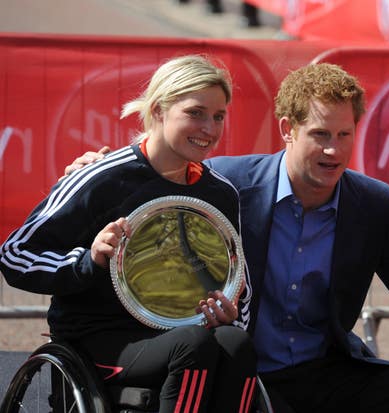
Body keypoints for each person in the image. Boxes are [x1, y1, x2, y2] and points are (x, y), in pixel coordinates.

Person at [64, 62, 389, 412]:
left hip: (330, 366)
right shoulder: (224, 186)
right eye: (320, 134)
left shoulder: (374, 202)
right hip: (241, 370)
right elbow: (154, 182)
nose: (333, 150)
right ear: (287, 129)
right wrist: (96, 170)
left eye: (344, 135)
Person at [1, 54, 257, 412]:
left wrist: (231, 314)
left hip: (181, 332)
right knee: (195, 345)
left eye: (218, 117)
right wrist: (88, 259)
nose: (209, 129)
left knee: (236, 342)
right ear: (158, 109)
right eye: (195, 113)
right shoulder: (101, 178)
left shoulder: (219, 193)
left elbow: (238, 282)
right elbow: (15, 254)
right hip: (97, 338)